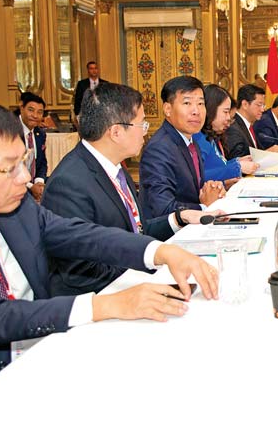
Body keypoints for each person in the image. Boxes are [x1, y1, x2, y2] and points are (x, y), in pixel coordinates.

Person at [0, 99, 219, 428]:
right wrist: (108, 305)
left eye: (23, 162)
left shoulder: (11, 203)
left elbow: (77, 234)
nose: (24, 178)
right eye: (8, 168)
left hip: (37, 365)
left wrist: (160, 251)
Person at [42, 83, 222, 296]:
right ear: (116, 132)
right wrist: (152, 267)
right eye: (142, 125)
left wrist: (179, 218)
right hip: (101, 298)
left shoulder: (115, 167)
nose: (146, 133)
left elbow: (136, 230)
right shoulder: (68, 183)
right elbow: (79, 269)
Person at [139, 76, 225, 218]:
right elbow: (162, 208)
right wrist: (204, 206)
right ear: (167, 109)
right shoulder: (159, 149)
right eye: (187, 103)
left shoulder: (190, 140)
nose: (196, 111)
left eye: (200, 103)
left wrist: (209, 190)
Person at [194, 84, 258, 183]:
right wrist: (237, 167)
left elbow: (218, 167)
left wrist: (236, 162)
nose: (228, 118)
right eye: (225, 112)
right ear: (211, 110)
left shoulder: (212, 137)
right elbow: (197, 177)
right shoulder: (197, 138)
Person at [16, 91, 48, 202]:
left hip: (33, 188)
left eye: (40, 112)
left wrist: (39, 182)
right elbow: (11, 166)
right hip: (13, 188)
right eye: (31, 110)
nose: (35, 115)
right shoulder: (10, 131)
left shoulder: (40, 134)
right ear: (21, 108)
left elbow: (42, 162)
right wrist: (30, 186)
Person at [223, 84, 268, 159]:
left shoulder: (249, 125)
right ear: (245, 104)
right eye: (259, 105)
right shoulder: (233, 127)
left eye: (263, 105)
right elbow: (239, 159)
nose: (262, 110)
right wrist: (268, 153)